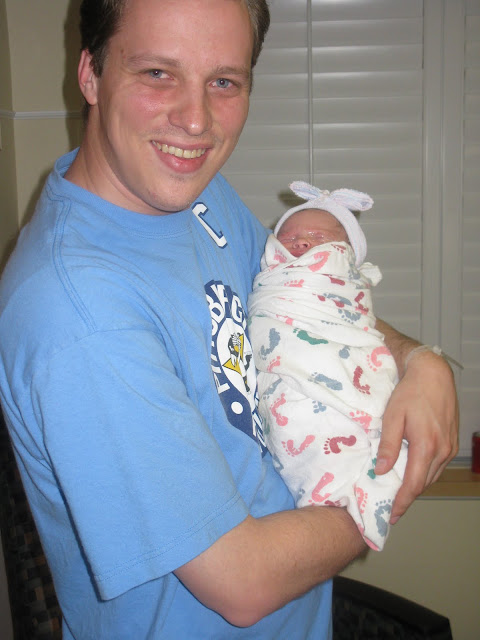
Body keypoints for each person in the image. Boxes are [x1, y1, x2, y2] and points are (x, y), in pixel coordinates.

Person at [0, 0, 458, 638]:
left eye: (223, 81)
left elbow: (303, 304)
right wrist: (384, 483)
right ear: (90, 74)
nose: (195, 121)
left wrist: (420, 361)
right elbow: (242, 583)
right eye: (157, 73)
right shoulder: (77, 311)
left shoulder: (196, 197)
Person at [248, 181, 408, 551]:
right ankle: (340, 485)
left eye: (320, 238)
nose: (302, 242)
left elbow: (358, 324)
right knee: (296, 420)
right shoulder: (271, 280)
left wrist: (424, 362)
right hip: (285, 371)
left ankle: (362, 471)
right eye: (289, 237)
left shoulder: (346, 283)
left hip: (348, 357)